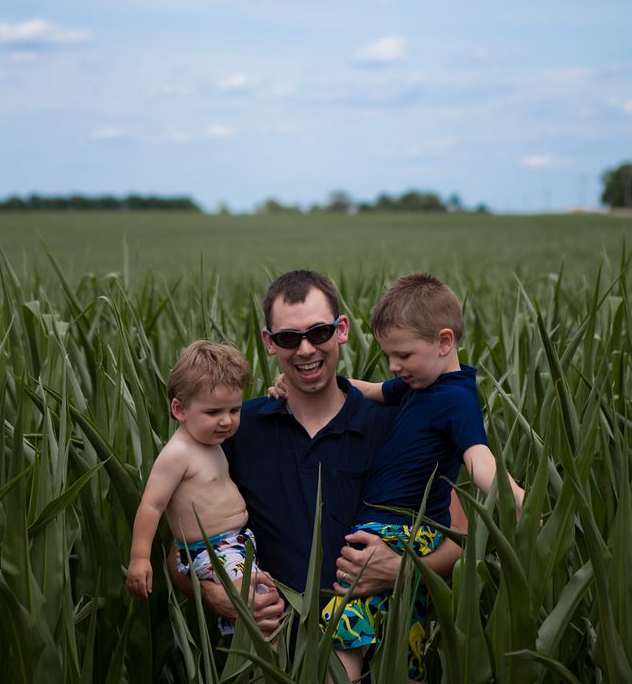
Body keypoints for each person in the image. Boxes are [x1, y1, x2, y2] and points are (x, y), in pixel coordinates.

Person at [167, 269, 466, 639]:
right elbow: (181, 551)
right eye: (289, 338)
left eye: (319, 332)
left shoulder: (398, 423)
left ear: (341, 330)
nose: (306, 349)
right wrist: (217, 595)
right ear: (270, 342)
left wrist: (403, 569)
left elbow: (460, 539)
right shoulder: (236, 430)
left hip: (376, 657)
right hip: (268, 657)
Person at [324, 272, 525, 681]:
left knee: (341, 625)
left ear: (444, 342)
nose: (396, 367)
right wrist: (324, 386)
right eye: (390, 357)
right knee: (405, 635)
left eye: (404, 355)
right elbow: (375, 390)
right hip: (404, 530)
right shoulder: (418, 384)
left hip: (400, 530)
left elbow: (479, 459)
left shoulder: (455, 398)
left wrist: (521, 503)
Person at [127, 340, 275, 633]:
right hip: (213, 551)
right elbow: (152, 504)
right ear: (179, 409)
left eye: (235, 409)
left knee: (247, 616)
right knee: (262, 612)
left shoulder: (209, 441)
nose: (226, 421)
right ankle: (272, 668)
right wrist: (140, 558)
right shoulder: (178, 453)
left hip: (235, 544)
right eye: (213, 412)